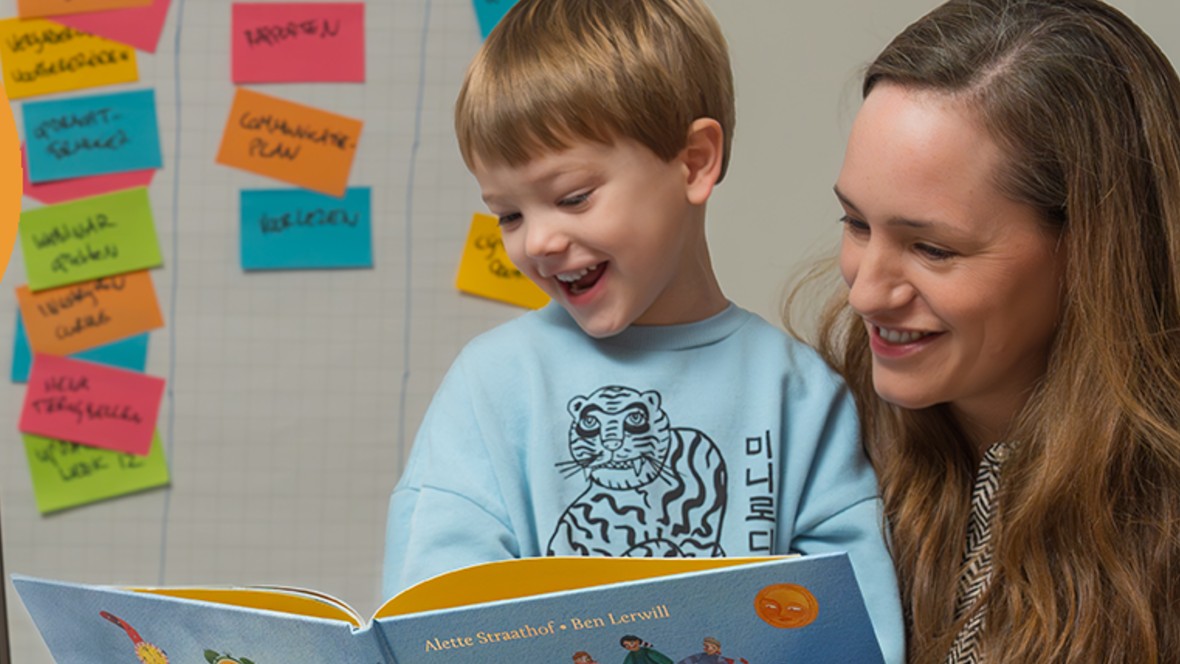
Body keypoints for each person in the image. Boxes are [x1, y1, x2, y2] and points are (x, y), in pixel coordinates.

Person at [381, 0, 903, 660]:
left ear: (693, 162)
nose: (537, 240)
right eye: (508, 215)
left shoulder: (799, 395)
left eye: (571, 197)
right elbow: (431, 618)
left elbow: (858, 631)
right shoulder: (489, 388)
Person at [800, 0, 1180, 661]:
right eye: (857, 225)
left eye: (932, 249)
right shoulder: (810, 437)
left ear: (1095, 250)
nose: (865, 293)